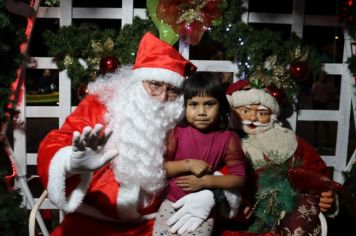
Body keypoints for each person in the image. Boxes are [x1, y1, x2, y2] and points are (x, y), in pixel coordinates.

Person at [36, 32, 225, 235]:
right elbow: (56, 141)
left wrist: (212, 193)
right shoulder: (102, 104)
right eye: (155, 85)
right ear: (138, 81)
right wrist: (69, 162)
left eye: (172, 90)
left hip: (155, 222)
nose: (162, 97)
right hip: (93, 219)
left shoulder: (183, 115)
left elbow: (220, 153)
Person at [219, 79, 337, 235]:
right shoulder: (223, 142)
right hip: (242, 220)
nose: (253, 118)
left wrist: (326, 197)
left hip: (285, 213)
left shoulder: (289, 141)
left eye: (262, 113)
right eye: (246, 111)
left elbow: (317, 172)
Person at [153, 72, 246, 235]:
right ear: (185, 106)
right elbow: (160, 169)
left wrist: (206, 182)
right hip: (171, 201)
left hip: (203, 206)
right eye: (194, 104)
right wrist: (187, 164)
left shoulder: (228, 138)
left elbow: (239, 179)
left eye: (209, 104)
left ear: (221, 105)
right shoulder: (176, 132)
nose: (201, 112)